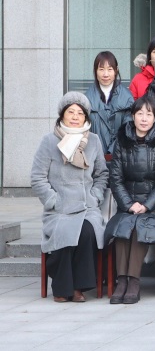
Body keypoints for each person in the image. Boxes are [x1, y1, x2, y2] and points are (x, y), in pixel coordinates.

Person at [31, 92, 109, 303]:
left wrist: (95, 197)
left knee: (87, 232)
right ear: (62, 115)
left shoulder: (93, 141)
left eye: (80, 113)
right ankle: (61, 287)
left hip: (86, 206)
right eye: (70, 112)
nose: (75, 117)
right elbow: (37, 177)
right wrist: (53, 200)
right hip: (59, 209)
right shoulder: (49, 141)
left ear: (86, 117)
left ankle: (78, 287)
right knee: (64, 232)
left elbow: (102, 174)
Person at [104, 94, 155, 304]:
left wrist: (146, 205)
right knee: (123, 225)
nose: (144, 118)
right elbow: (116, 179)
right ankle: (121, 281)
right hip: (129, 202)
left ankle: (133, 280)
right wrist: (129, 204)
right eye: (140, 113)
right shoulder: (122, 140)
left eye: (149, 114)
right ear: (133, 116)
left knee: (139, 225)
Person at [86, 50, 134, 155]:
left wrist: (112, 150)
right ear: (95, 71)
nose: (105, 74)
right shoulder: (87, 99)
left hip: (121, 155)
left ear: (116, 70)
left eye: (110, 69)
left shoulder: (127, 97)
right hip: (94, 156)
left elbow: (129, 128)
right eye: (101, 69)